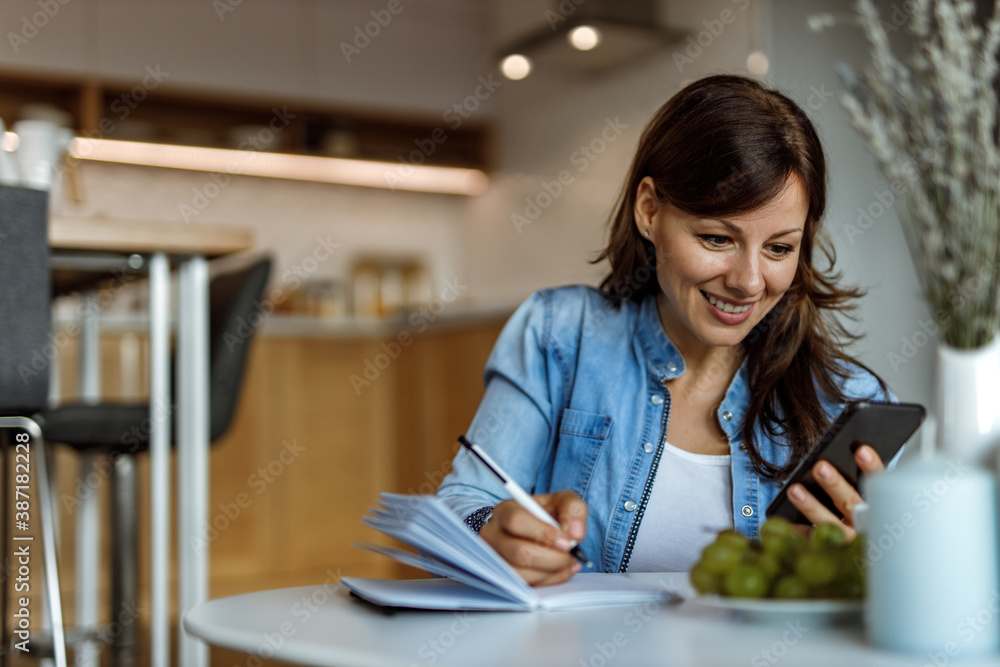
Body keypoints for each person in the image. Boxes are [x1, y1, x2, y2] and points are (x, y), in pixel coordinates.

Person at [436, 74, 892, 586]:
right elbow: (462, 503)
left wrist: (873, 566)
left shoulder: (849, 404)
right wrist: (487, 530)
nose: (747, 282)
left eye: (779, 248)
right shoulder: (560, 336)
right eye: (718, 238)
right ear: (650, 210)